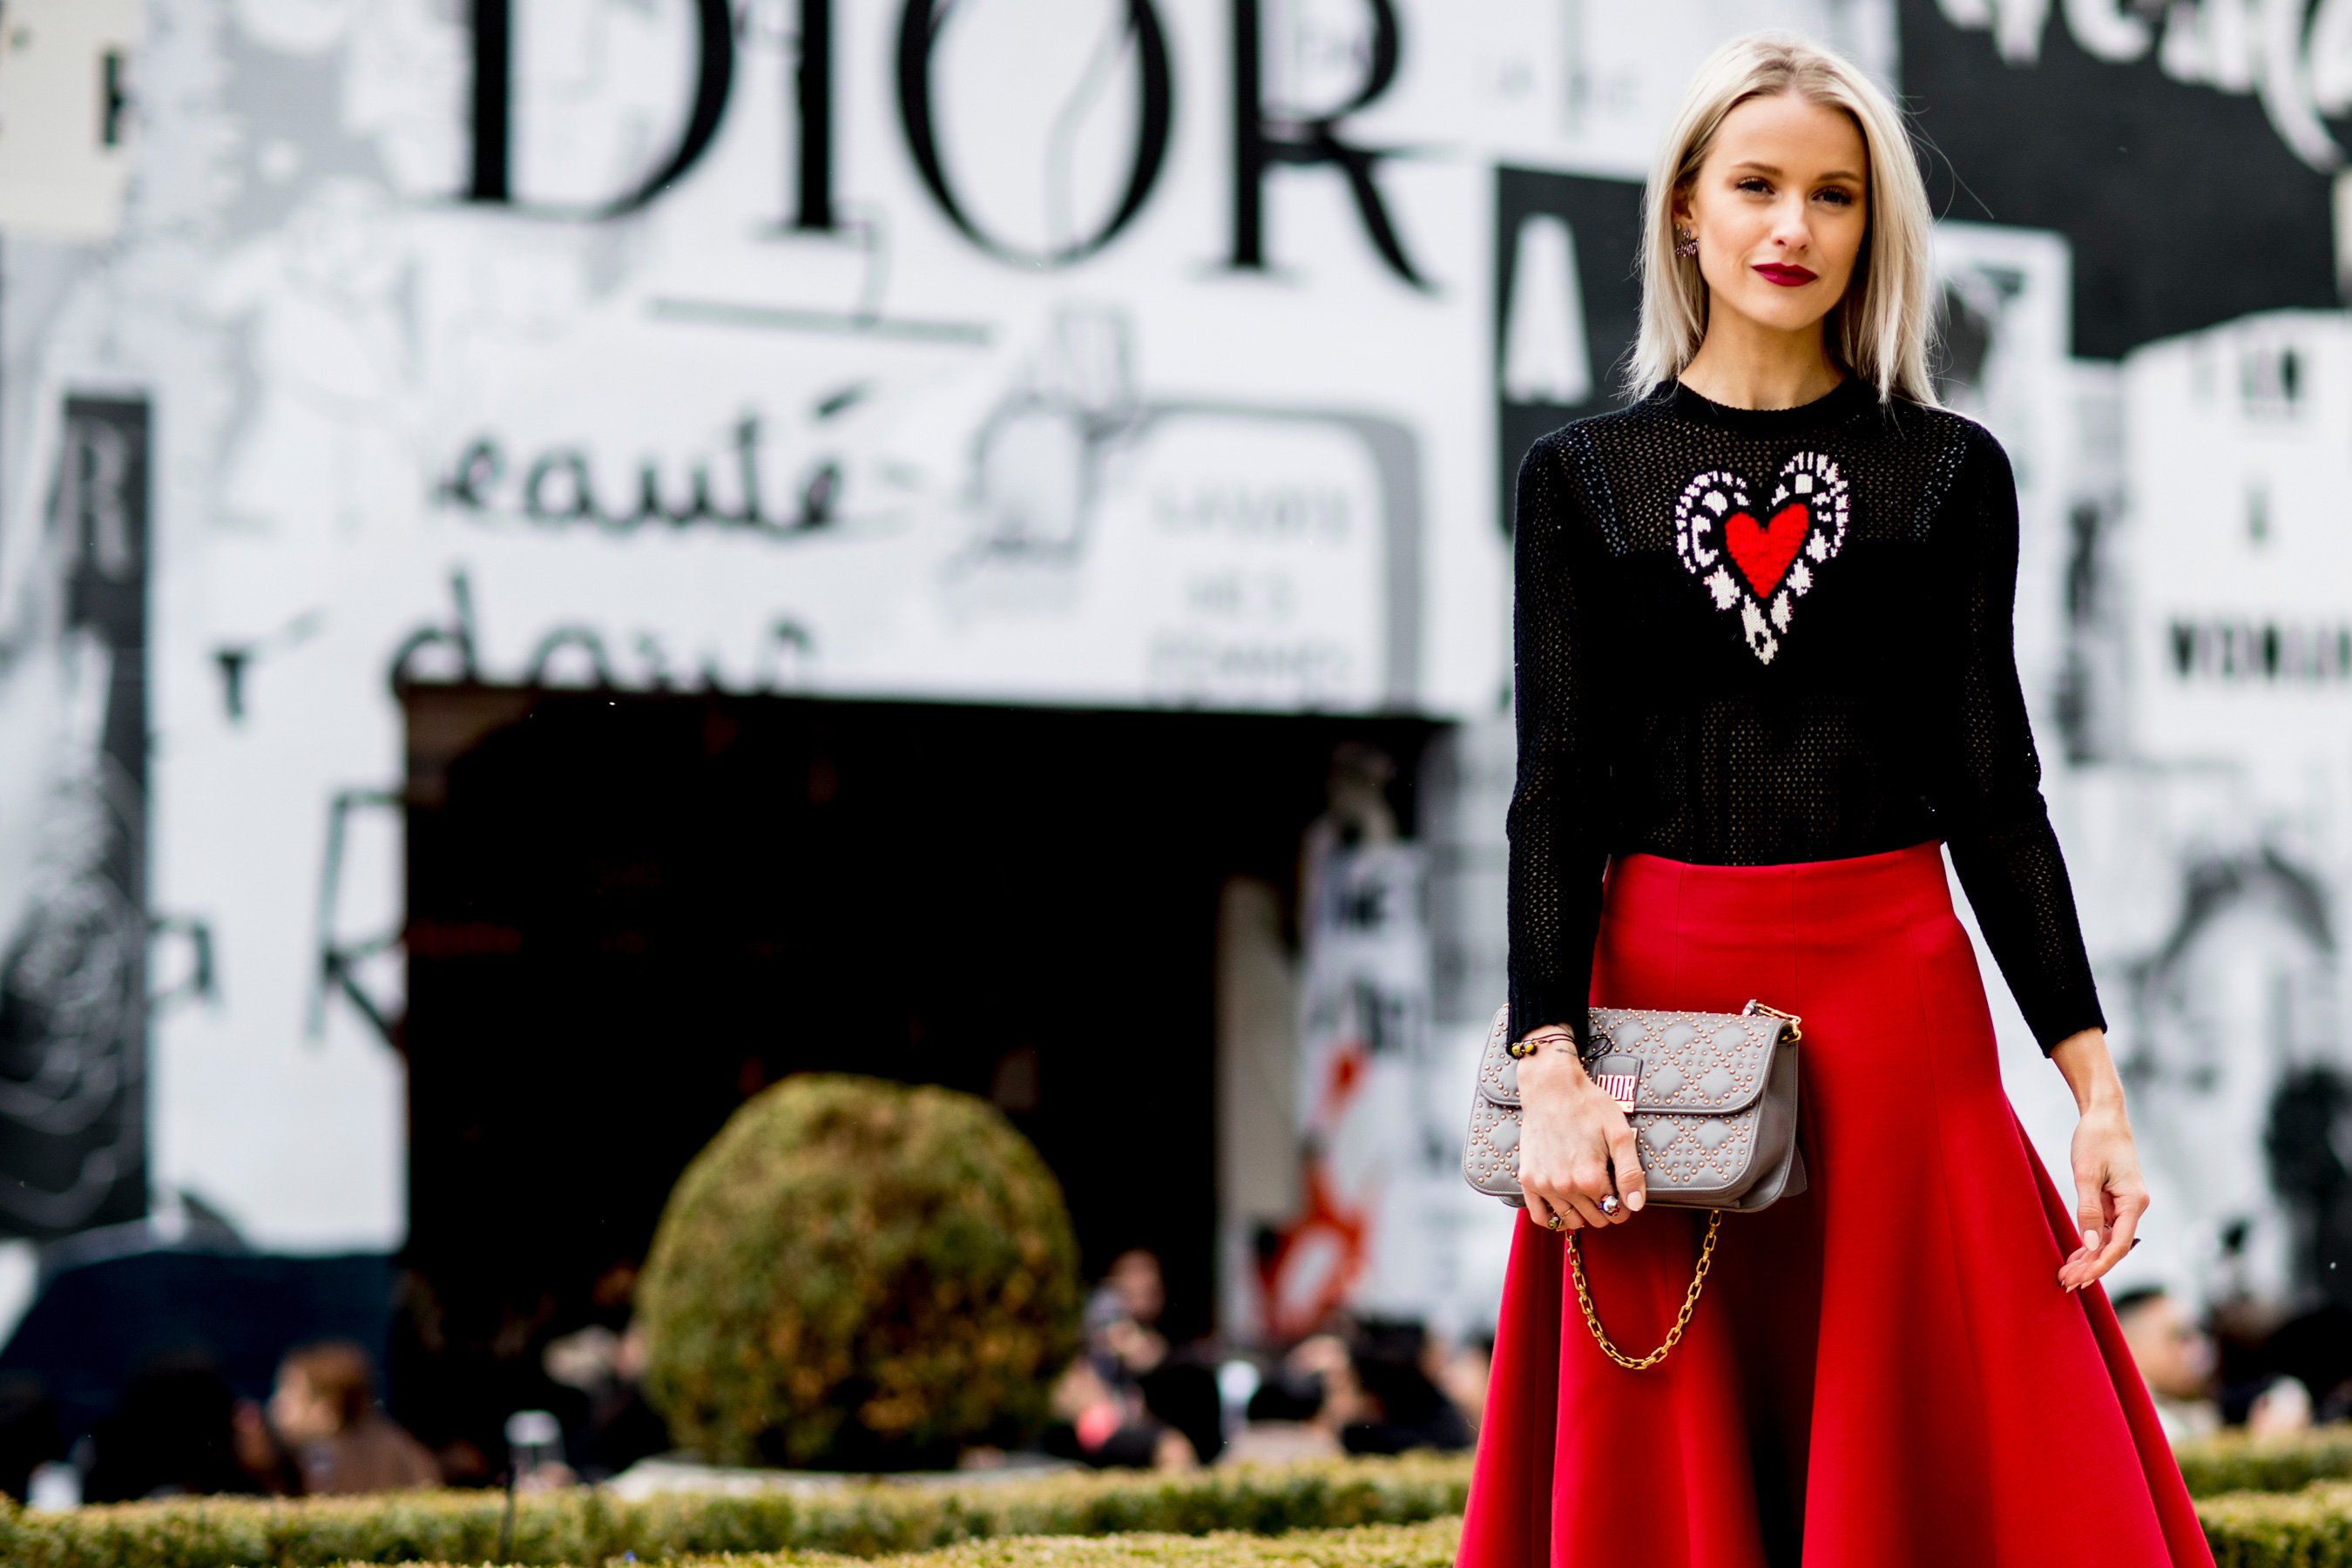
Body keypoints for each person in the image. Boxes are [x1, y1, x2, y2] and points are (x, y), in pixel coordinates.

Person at [1459, 33, 2211, 1568]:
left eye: (1835, 195)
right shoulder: (1581, 480)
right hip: (1657, 1020)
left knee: (1936, 1446)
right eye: (1757, 186)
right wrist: (1551, 1066)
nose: (1793, 226)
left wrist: (2095, 1094)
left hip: (1900, 1006)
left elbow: (1996, 793)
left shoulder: (1947, 474)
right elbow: (1557, 794)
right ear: (1686, 209)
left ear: (1876, 227)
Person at [267, 1341, 441, 1496]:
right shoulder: (396, 1445)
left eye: (289, 1394)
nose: (275, 1404)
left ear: (326, 1410)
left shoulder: (334, 1460)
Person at [2112, 1288, 2220, 1443]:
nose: (2197, 1348)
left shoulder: (2191, 1413)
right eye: (2178, 1337)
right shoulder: (2144, 1430)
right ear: (2127, 1346)